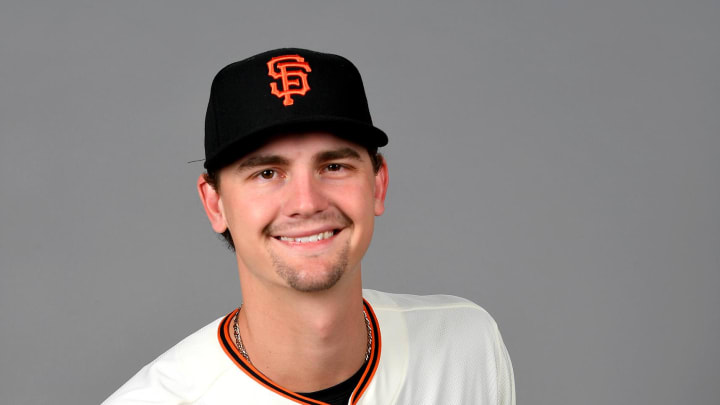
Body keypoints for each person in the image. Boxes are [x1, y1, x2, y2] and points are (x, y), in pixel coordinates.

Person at [104, 48, 515, 405]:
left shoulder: (466, 345)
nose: (306, 202)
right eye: (267, 173)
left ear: (378, 183)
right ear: (215, 203)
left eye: (334, 166)